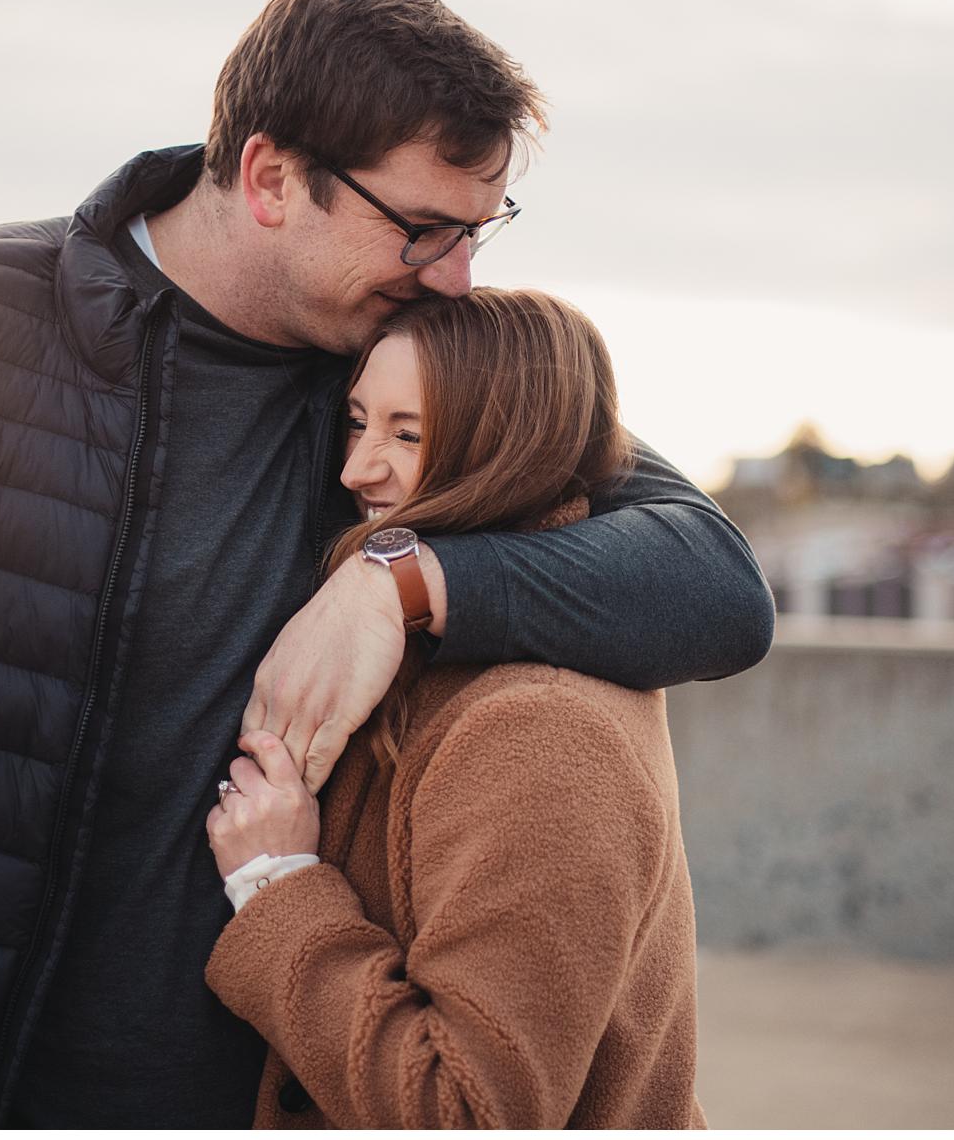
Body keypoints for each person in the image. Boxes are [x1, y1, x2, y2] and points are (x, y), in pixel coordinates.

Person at [0, 0, 772, 1129]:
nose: (459, 276)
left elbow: (714, 583)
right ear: (269, 176)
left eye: (477, 230)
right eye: (421, 229)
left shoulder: (409, 379)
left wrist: (402, 581)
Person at [204, 289, 706, 1128]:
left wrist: (274, 885)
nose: (356, 469)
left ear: (507, 451)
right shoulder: (425, 642)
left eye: (407, 435)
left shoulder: (542, 732)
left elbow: (467, 1111)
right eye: (358, 423)